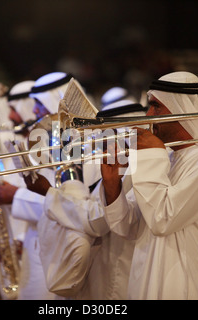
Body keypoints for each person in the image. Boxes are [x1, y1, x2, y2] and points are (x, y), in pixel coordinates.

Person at [100, 71, 198, 300]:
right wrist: (112, 187)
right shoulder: (169, 157)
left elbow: (162, 219)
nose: (148, 115)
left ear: (181, 108)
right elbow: (130, 227)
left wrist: (151, 155)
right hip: (148, 277)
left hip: (186, 285)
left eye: (156, 106)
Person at [33, 99, 147, 299]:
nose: (97, 142)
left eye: (104, 135)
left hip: (119, 277)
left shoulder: (132, 167)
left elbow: (96, 220)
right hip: (101, 271)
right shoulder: (116, 161)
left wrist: (49, 193)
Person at [0, 73, 72, 300]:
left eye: (39, 104)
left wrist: (17, 196)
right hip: (36, 242)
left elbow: (72, 205)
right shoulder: (44, 141)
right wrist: (22, 240)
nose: (34, 112)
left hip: (60, 251)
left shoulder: (72, 145)